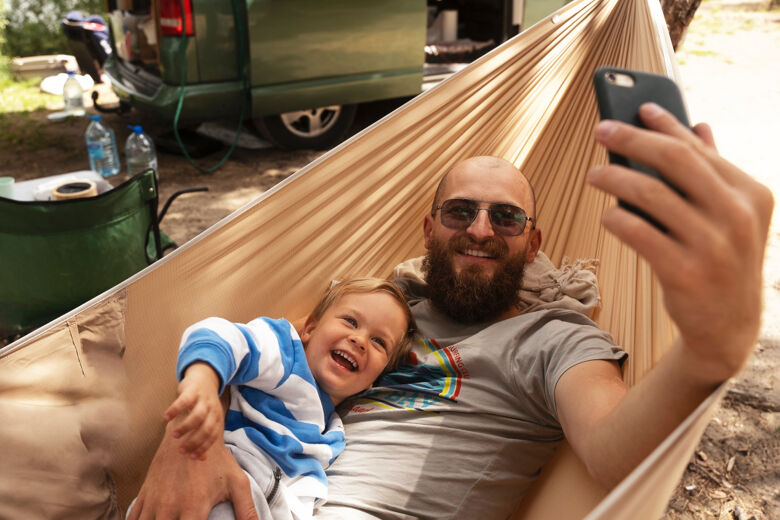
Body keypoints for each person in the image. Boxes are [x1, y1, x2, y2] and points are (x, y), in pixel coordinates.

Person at [128, 104, 774, 520]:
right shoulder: (379, 311)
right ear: (430, 228)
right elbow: (257, 356)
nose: (483, 230)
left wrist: (706, 352)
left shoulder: (555, 338)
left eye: (507, 217)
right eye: (461, 212)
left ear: (533, 242)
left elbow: (612, 451)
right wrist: (188, 446)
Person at [129, 278, 416, 520]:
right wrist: (202, 382)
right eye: (350, 321)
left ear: (377, 378)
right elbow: (221, 334)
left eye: (379, 342)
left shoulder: (334, 436)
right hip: (212, 484)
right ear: (310, 328)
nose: (360, 340)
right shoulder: (285, 355)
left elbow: (303, 501)